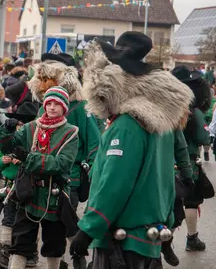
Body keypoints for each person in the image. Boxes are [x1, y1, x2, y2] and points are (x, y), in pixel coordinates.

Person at [69, 32, 194, 268]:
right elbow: (166, 179)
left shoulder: (127, 125)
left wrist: (88, 228)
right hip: (149, 237)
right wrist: (165, 220)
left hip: (121, 242)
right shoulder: (160, 122)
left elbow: (115, 184)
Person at [28, 52, 100, 269]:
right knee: (44, 220)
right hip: (42, 174)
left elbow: (94, 142)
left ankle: (78, 256)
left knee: (64, 218)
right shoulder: (44, 107)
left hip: (71, 176)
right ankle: (46, 257)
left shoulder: (79, 107)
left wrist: (95, 173)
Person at [0, 87, 78, 269]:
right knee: (21, 241)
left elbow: (61, 164)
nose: (51, 107)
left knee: (54, 244)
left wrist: (28, 157)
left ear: (64, 107)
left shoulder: (71, 132)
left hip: (55, 195)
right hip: (29, 193)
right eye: (49, 103)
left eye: (56, 104)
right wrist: (7, 132)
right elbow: (8, 148)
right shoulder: (30, 127)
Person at [0, 101, 39, 269]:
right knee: (8, 219)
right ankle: (3, 252)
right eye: (21, 121)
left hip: (30, 185)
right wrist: (2, 161)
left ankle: (31, 253)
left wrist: (24, 159)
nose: (23, 125)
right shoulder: (12, 136)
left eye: (28, 121)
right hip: (11, 187)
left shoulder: (37, 135)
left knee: (29, 220)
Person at [171, 66, 212, 252]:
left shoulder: (165, 107)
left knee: (167, 200)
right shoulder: (192, 111)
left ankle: (161, 241)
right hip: (188, 160)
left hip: (166, 162)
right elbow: (204, 138)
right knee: (192, 200)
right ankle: (192, 238)